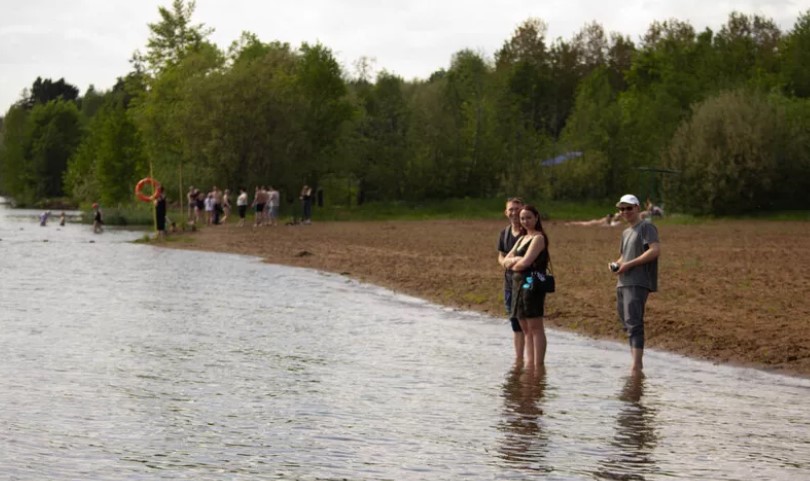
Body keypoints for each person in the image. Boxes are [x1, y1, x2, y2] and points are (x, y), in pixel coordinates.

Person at [611, 194, 661, 372]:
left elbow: (654, 250)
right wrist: (617, 264)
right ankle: (635, 362)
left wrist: (629, 265)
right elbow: (624, 255)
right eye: (622, 209)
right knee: (625, 321)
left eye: (628, 208)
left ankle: (636, 365)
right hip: (623, 281)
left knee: (634, 322)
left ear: (637, 208)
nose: (625, 212)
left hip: (638, 281)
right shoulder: (625, 232)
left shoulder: (646, 227)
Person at [501, 205, 551, 369]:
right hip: (517, 285)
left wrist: (514, 263)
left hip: (532, 284)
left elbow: (525, 262)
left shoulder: (538, 238)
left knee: (535, 326)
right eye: (523, 218)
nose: (525, 221)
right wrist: (513, 262)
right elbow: (506, 259)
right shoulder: (522, 238)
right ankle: (530, 364)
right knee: (524, 325)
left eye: (529, 217)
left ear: (536, 218)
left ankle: (539, 365)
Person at [497, 197, 526, 363]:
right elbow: (501, 255)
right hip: (509, 283)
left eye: (517, 209)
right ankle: (519, 360)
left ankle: (531, 362)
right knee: (515, 323)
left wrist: (511, 263)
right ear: (506, 212)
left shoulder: (529, 232)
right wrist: (504, 263)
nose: (514, 212)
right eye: (511, 209)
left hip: (527, 283)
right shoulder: (505, 232)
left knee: (528, 323)